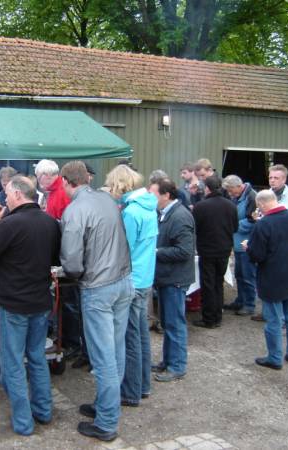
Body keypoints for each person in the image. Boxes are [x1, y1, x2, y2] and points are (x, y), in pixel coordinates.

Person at [0, 176, 60, 436]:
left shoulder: (9, 223)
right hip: (40, 300)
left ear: (18, 195)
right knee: (36, 357)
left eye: (8, 194)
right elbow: (55, 257)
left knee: (12, 362)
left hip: (14, 303)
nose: (5, 199)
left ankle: (23, 423)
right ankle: (43, 412)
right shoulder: (51, 222)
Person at [60, 161, 134, 442]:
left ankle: (106, 423)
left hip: (99, 288)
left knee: (104, 358)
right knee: (115, 351)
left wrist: (69, 272)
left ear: (67, 181)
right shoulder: (106, 198)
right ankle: (106, 406)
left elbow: (72, 261)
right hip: (123, 282)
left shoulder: (75, 210)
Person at [105, 165, 158, 405]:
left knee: (129, 338)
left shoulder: (131, 212)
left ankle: (131, 391)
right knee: (141, 335)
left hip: (132, 279)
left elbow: (121, 248)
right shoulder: (149, 206)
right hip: (145, 277)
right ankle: (143, 385)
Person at [244, 190, 288, 370]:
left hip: (272, 279)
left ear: (261, 204)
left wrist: (248, 247)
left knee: (274, 321)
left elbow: (257, 255)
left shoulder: (263, 225)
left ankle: (275, 358)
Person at [150, 178, 195, 382]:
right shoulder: (166, 214)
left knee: (175, 323)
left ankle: (177, 366)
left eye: (154, 194)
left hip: (175, 279)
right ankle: (168, 362)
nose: (151, 198)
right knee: (168, 322)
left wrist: (155, 251)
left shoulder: (180, 216)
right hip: (167, 277)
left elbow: (185, 251)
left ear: (166, 195)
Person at [192, 175, 238, 329]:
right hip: (224, 249)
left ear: (207, 188)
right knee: (219, 283)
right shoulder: (231, 206)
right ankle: (218, 315)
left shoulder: (201, 206)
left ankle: (209, 318)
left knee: (208, 284)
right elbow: (235, 228)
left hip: (207, 250)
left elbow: (194, 229)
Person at [222, 175, 258, 316]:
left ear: (239, 186)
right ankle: (240, 300)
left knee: (248, 275)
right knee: (239, 274)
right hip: (237, 243)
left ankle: (249, 304)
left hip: (246, 244)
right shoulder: (238, 197)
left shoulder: (252, 197)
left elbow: (253, 221)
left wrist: (233, 226)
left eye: (231, 190)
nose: (230, 194)